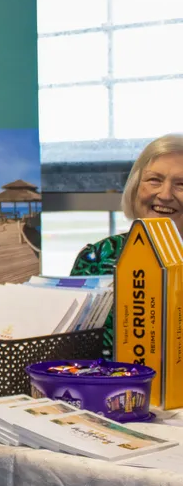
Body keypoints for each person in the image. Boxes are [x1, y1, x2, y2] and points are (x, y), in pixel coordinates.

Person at [71, 133, 183, 359]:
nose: (164, 194)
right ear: (135, 185)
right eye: (154, 180)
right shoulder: (98, 257)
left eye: (181, 184)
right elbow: (71, 353)